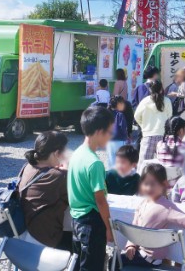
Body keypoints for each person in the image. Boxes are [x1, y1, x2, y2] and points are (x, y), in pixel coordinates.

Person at [120, 164, 185, 268]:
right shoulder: (143, 203)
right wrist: (131, 245)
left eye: (153, 184)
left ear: (164, 184)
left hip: (151, 259)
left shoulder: (167, 207)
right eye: (146, 183)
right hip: (140, 253)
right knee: (117, 259)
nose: (148, 187)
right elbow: (135, 227)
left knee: (115, 261)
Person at [68, 106, 115, 271]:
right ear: (99, 132)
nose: (110, 136)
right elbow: (100, 201)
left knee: (79, 264)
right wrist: (109, 228)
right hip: (92, 223)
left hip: (76, 219)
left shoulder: (76, 154)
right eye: (109, 132)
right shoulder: (94, 163)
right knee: (92, 266)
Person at [18, 131, 69, 248]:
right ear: (56, 153)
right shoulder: (58, 176)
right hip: (42, 239)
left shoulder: (27, 167)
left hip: (20, 234)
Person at [134, 80, 173, 165]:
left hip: (148, 135)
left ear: (150, 90)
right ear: (161, 89)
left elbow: (136, 116)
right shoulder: (167, 101)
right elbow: (170, 116)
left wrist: (143, 125)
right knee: (164, 164)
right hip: (163, 136)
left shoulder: (145, 101)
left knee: (143, 166)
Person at [106, 96, 129, 169]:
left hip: (108, 141)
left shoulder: (106, 114)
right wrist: (127, 137)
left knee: (111, 162)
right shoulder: (120, 115)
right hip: (119, 140)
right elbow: (123, 128)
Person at [167, 68, 185, 132]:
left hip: (184, 103)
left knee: (183, 119)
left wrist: (175, 94)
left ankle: (184, 134)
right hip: (182, 102)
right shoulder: (183, 83)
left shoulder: (184, 83)